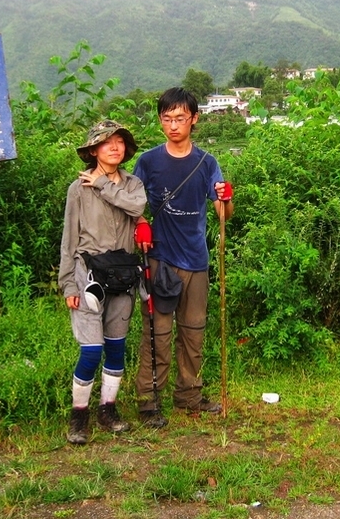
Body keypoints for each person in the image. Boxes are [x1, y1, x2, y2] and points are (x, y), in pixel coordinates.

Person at [133, 87, 233, 428]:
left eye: (180, 118)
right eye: (167, 119)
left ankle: (189, 394)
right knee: (157, 334)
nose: (173, 125)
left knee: (193, 332)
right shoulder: (148, 162)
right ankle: (149, 401)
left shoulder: (207, 163)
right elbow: (131, 203)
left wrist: (225, 198)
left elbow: (223, 212)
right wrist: (141, 223)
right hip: (160, 260)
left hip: (196, 261)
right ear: (160, 121)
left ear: (194, 119)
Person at [58, 120, 146, 445]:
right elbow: (69, 239)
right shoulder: (78, 189)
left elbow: (137, 206)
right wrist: (68, 283)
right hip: (88, 276)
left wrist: (103, 185)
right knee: (92, 350)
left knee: (116, 347)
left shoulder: (133, 184)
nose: (114, 147)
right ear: (93, 150)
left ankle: (108, 410)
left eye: (119, 141)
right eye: (106, 142)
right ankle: (78, 415)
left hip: (123, 276)